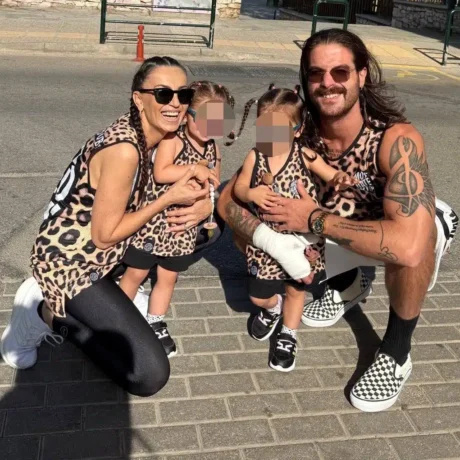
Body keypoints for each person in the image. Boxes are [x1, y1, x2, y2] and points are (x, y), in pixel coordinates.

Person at [217, 29, 458, 412]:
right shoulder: (296, 131)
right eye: (316, 73)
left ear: (362, 75)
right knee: (245, 228)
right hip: (336, 227)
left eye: (340, 72)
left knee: (415, 245)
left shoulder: (395, 137)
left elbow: (408, 245)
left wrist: (312, 218)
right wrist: (268, 236)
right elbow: (227, 201)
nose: (328, 82)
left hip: (387, 228)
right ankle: (348, 284)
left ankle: (397, 350)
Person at [0, 56, 213, 397]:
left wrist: (206, 202)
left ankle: (102, 296)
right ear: (138, 99)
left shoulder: (152, 135)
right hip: (70, 261)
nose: (175, 103)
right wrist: (170, 197)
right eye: (163, 93)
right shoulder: (126, 150)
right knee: (148, 375)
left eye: (183, 94)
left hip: (108, 254)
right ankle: (42, 312)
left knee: (208, 233)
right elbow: (104, 235)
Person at [232, 83, 356, 372]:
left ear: (297, 130)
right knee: (257, 295)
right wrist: (250, 193)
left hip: (301, 239)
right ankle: (271, 308)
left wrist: (340, 179)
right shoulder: (255, 156)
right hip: (266, 242)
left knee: (296, 291)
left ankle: (288, 334)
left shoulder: (305, 156)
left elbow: (330, 173)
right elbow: (239, 188)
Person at [118, 80, 233, 357]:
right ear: (187, 114)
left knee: (168, 278)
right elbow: (161, 173)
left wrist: (208, 194)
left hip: (182, 227)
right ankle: (118, 320)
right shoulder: (173, 140)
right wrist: (194, 169)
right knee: (136, 273)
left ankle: (155, 321)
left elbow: (214, 184)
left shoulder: (214, 149)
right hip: (154, 222)